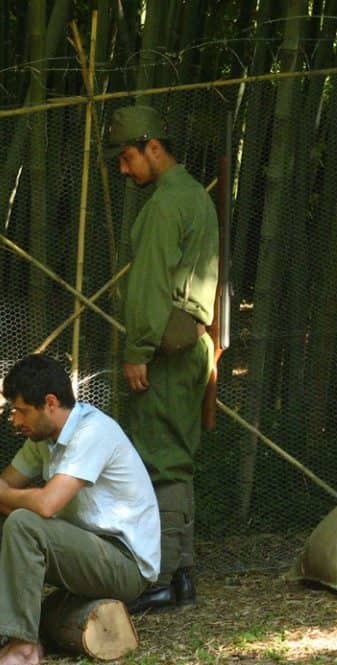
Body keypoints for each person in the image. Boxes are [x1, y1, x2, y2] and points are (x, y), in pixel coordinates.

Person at [0, 354, 159, 665]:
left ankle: (24, 648)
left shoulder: (92, 431)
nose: (15, 419)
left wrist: (1, 495)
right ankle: (9, 637)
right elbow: (3, 487)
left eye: (21, 410)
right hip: (86, 549)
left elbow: (46, 504)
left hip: (126, 564)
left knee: (25, 522)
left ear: (50, 403)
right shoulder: (43, 440)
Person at [105, 105, 218, 612]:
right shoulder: (196, 196)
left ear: (154, 147)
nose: (124, 170)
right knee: (175, 455)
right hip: (190, 344)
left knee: (161, 461)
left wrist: (137, 350)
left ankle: (168, 578)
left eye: (128, 157)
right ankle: (182, 574)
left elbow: (150, 285)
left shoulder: (163, 207)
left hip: (163, 352)